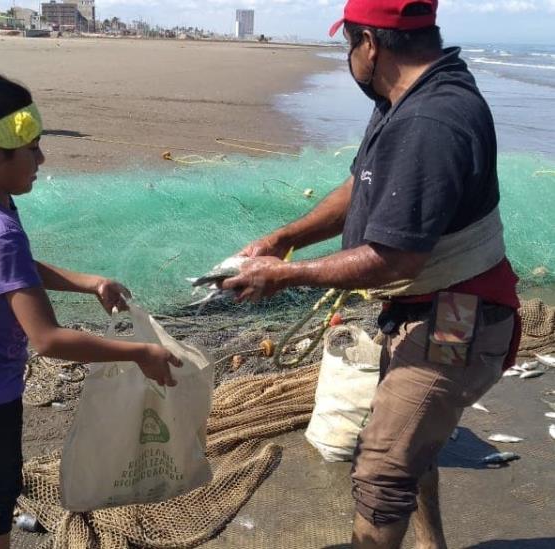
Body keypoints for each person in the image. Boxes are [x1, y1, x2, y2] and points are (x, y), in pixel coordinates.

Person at [223, 1, 520, 548]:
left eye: (348, 45)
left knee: (383, 469)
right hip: (429, 307)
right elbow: (360, 184)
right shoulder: (405, 98)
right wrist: (284, 239)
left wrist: (284, 277)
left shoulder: (431, 120)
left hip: (458, 317)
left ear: (370, 44)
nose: (349, 57)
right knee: (412, 443)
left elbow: (396, 258)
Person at [0, 73, 182, 549]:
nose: (41, 159)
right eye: (31, 149)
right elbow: (47, 339)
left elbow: (13, 271)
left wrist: (87, 281)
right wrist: (138, 353)